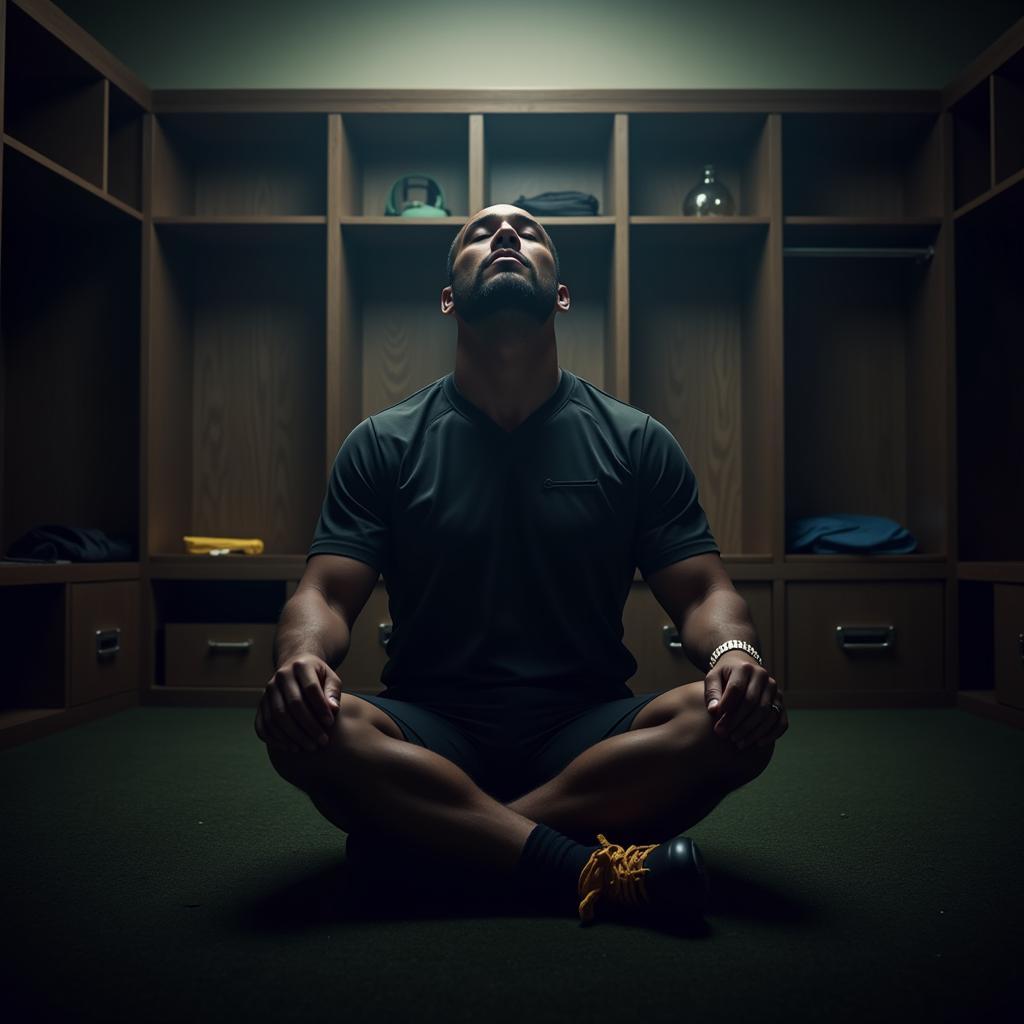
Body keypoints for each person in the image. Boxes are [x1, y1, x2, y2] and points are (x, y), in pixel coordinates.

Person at [255, 204, 789, 926]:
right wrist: (301, 660)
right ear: (449, 300)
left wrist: (733, 654)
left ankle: (441, 843)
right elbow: (322, 594)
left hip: (586, 730)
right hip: (430, 725)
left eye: (528, 231)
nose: (504, 235)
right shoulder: (382, 444)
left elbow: (703, 593)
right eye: (479, 233)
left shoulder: (637, 442)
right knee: (311, 728)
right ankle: (570, 865)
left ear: (560, 294)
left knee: (733, 721)